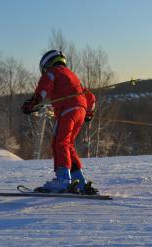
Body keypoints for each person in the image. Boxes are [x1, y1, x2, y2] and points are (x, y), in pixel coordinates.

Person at [21, 50, 98, 194]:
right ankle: (80, 181)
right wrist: (88, 113)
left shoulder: (52, 72)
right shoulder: (72, 76)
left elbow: (44, 89)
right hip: (80, 110)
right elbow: (91, 98)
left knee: (59, 142)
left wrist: (32, 103)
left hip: (67, 110)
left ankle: (63, 180)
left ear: (47, 64)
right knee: (68, 144)